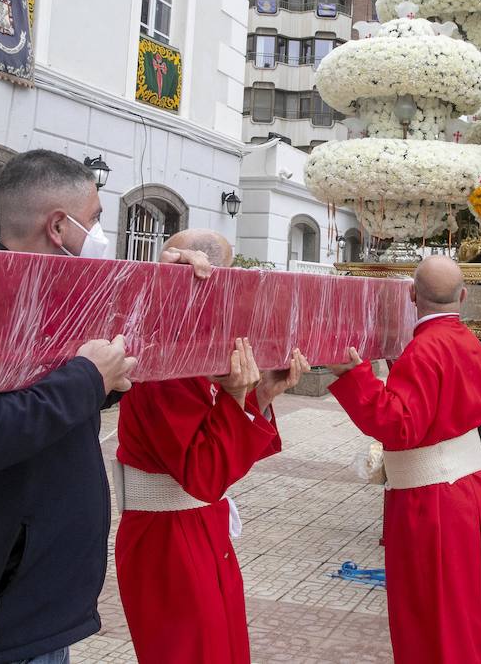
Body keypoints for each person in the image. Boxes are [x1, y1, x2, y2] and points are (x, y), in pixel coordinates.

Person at [0, 150, 209, 664]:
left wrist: (160, 290)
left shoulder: (50, 298)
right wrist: (86, 380)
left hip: (30, 613)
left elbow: (78, 378)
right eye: (96, 219)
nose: (102, 234)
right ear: (59, 226)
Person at [114, 229, 309, 664]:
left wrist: (261, 396)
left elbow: (221, 455)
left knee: (224, 648)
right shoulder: (165, 352)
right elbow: (204, 474)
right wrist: (238, 399)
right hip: (168, 534)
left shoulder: (197, 340)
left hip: (200, 523)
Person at [318, 255, 481, 664]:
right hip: (468, 490)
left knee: (431, 620)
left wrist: (353, 374)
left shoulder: (424, 349)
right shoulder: (470, 342)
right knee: (465, 612)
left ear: (412, 295)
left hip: (431, 501)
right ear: (464, 297)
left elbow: (399, 426)